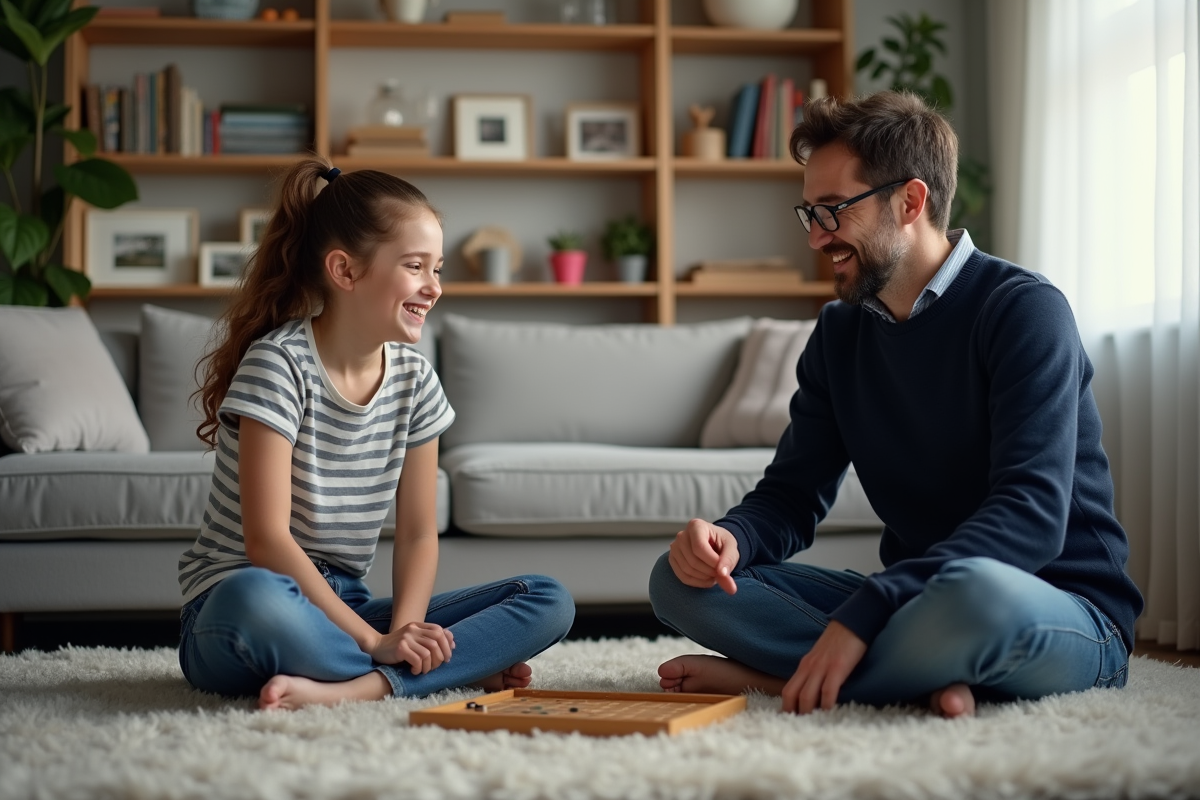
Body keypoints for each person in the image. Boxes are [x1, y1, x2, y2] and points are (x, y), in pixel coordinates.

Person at [648, 91, 1144, 719]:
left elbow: (1032, 515)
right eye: (810, 213)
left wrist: (872, 607)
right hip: (916, 605)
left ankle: (790, 679)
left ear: (910, 201)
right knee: (678, 582)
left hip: (1057, 606)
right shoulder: (838, 334)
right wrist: (731, 540)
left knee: (976, 599)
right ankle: (920, 675)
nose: (816, 237)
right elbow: (791, 497)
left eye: (834, 210)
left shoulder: (1023, 310)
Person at [178, 159, 575, 710]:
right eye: (415, 266)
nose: (434, 288)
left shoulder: (416, 380)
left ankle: (360, 687)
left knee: (547, 599)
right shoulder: (279, 364)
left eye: (437, 269)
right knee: (256, 600)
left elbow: (418, 534)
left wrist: (405, 634)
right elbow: (266, 541)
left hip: (347, 608)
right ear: (345, 270)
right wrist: (373, 642)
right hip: (246, 601)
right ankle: (443, 669)